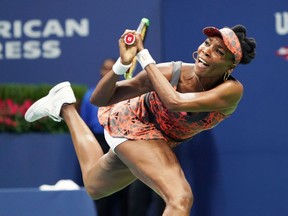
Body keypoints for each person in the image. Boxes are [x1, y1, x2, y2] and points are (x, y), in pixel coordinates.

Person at [24, 24, 256, 215]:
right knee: (180, 197)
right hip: (133, 122)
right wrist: (122, 64)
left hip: (159, 140)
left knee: (95, 186)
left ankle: (65, 106)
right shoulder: (170, 71)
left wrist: (144, 56)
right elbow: (100, 99)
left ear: (231, 65)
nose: (207, 50)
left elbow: (176, 102)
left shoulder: (231, 91)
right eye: (207, 43)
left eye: (219, 52)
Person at [80, 58, 131, 216]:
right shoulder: (90, 95)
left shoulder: (127, 93)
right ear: (101, 71)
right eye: (105, 68)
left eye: (111, 68)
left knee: (125, 190)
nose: (108, 71)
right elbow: (85, 123)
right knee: (101, 190)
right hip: (99, 141)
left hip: (121, 140)